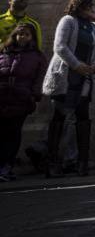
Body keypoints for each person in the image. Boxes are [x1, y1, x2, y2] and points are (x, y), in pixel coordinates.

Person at [42, 0, 95, 177]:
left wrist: (94, 66)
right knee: (59, 116)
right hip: (66, 75)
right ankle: (53, 162)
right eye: (89, 5)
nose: (92, 8)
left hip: (84, 78)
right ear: (80, 6)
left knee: (82, 117)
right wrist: (77, 65)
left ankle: (81, 162)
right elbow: (60, 47)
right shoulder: (68, 21)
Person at [0, 23, 46, 181]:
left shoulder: (37, 56)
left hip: (21, 99)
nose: (23, 37)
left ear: (32, 37)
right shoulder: (4, 51)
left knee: (13, 135)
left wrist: (33, 96)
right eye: (20, 34)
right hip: (3, 97)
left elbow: (38, 79)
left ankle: (7, 167)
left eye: (26, 34)